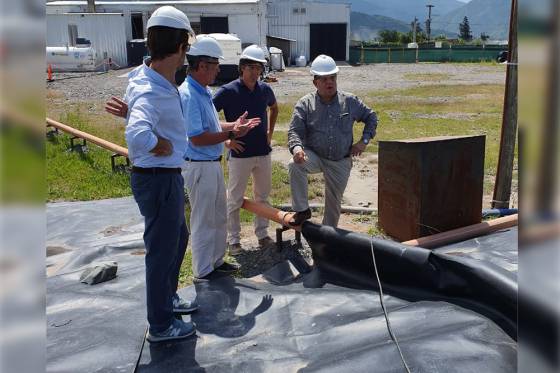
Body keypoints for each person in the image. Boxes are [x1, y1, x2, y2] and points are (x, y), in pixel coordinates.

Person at [124, 6, 198, 343]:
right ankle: (161, 325)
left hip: (163, 177)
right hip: (158, 177)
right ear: (181, 47)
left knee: (178, 238)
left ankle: (167, 298)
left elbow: (139, 113)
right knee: (161, 251)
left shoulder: (148, 77)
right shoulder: (152, 89)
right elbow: (138, 135)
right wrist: (159, 144)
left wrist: (132, 115)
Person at [180, 36, 261, 281]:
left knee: (218, 216)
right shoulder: (190, 95)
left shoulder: (201, 91)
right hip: (199, 166)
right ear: (202, 65)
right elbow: (197, 138)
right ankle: (203, 271)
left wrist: (233, 125)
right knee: (204, 219)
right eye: (215, 66)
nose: (218, 71)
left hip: (210, 165)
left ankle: (215, 262)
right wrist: (231, 133)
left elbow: (211, 125)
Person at [287, 54, 378, 228]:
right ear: (315, 82)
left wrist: (363, 142)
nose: (329, 82)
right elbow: (295, 130)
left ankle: (327, 239)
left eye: (332, 78)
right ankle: (302, 210)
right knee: (294, 164)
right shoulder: (305, 104)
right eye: (324, 79)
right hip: (314, 155)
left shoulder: (350, 101)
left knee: (334, 204)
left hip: (340, 160)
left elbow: (371, 117)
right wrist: (297, 148)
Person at [212, 45, 279, 255]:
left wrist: (269, 133)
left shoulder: (265, 89)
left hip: (262, 152)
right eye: (251, 67)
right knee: (235, 198)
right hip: (240, 155)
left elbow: (274, 108)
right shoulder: (227, 91)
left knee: (263, 197)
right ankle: (233, 240)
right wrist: (227, 140)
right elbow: (208, 117)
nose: (255, 72)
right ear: (241, 68)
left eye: (258, 68)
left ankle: (262, 235)